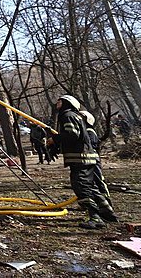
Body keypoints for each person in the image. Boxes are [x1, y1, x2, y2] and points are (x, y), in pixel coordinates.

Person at [49, 95, 117, 229]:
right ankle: (107, 212)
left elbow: (72, 134)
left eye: (60, 100)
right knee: (90, 186)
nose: (57, 102)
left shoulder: (67, 115)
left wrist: (55, 139)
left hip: (80, 158)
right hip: (86, 158)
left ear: (67, 103)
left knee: (81, 187)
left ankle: (95, 217)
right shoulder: (74, 116)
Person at [79, 110, 114, 211]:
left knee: (99, 181)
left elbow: (90, 145)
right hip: (86, 160)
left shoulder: (90, 132)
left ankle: (107, 202)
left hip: (93, 160)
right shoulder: (84, 131)